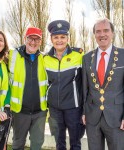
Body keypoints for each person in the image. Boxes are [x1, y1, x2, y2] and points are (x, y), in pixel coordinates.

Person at [82, 18, 124, 150]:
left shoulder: (123, 55)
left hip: (116, 118)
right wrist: (83, 112)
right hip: (92, 117)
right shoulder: (87, 58)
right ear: (94, 35)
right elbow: (84, 88)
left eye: (106, 30)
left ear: (112, 33)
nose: (102, 34)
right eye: (98, 31)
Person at [44, 20, 85, 150]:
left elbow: (85, 82)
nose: (59, 40)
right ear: (51, 39)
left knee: (75, 143)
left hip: (73, 108)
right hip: (55, 110)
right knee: (59, 143)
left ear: (68, 38)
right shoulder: (45, 59)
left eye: (62, 37)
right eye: (56, 37)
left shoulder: (78, 55)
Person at [8, 27, 48, 150]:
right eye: (31, 38)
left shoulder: (45, 58)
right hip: (20, 112)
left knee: (37, 145)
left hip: (39, 112)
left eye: (37, 39)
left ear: (41, 42)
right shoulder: (12, 55)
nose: (33, 42)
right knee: (18, 144)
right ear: (25, 38)